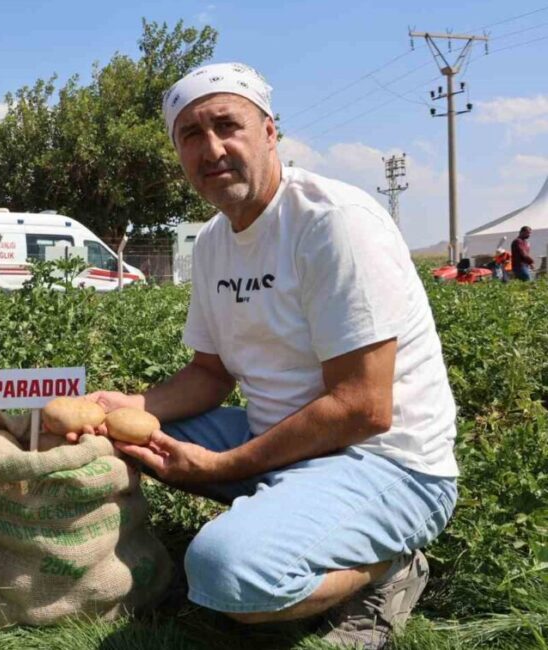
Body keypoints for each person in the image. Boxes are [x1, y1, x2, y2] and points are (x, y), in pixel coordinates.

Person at [85, 63, 459, 649]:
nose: (212, 148)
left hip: (389, 465)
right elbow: (209, 375)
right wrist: (125, 405)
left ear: (268, 132)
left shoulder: (332, 224)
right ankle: (279, 513)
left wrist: (224, 467)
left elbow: (364, 408)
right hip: (283, 441)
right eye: (191, 135)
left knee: (221, 573)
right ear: (180, 154)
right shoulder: (214, 242)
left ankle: (389, 568)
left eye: (227, 125)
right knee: (122, 432)